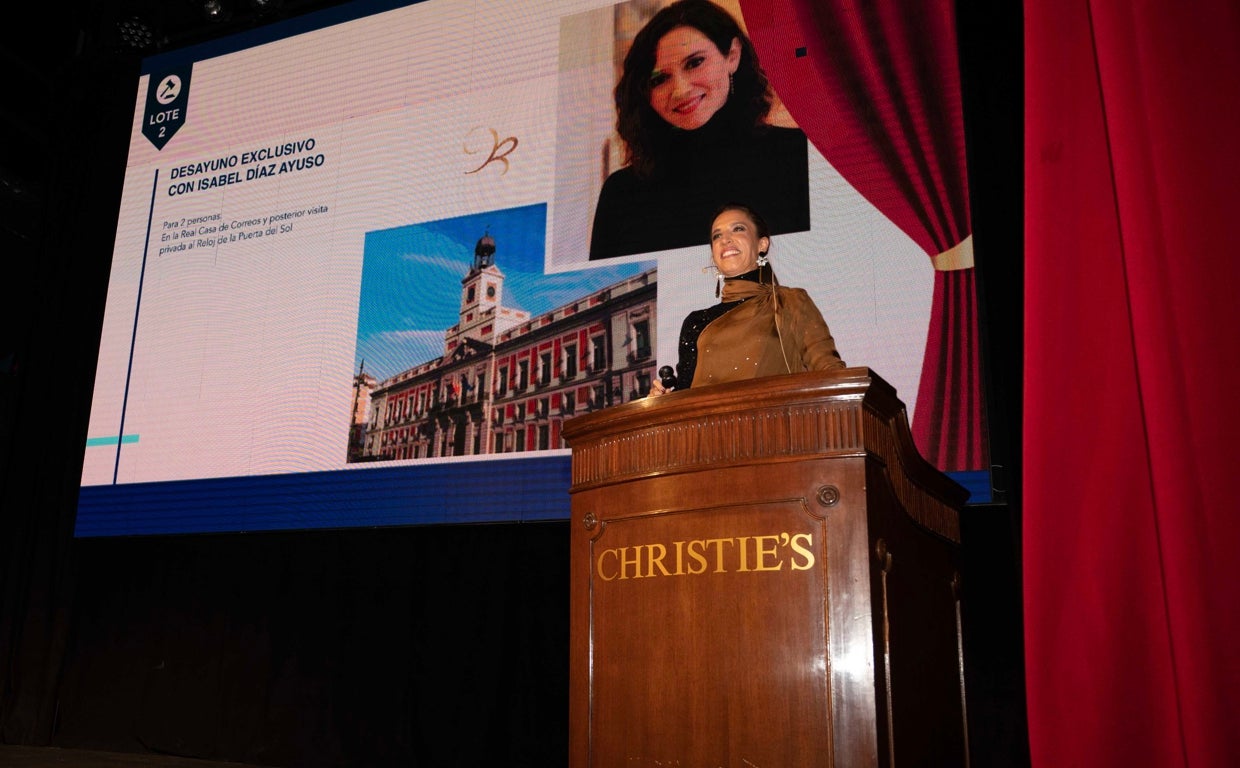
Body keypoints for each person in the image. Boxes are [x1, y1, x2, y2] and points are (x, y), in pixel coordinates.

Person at [588, 0, 810, 260]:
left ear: (732, 55)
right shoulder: (621, 194)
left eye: (694, 63)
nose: (681, 90)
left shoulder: (797, 154)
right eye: (660, 79)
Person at [649, 203, 845, 395]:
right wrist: (664, 400)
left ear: (762, 244)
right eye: (717, 236)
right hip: (707, 418)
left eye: (738, 229)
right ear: (713, 255)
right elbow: (685, 394)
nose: (725, 240)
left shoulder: (789, 301)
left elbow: (830, 372)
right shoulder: (695, 322)